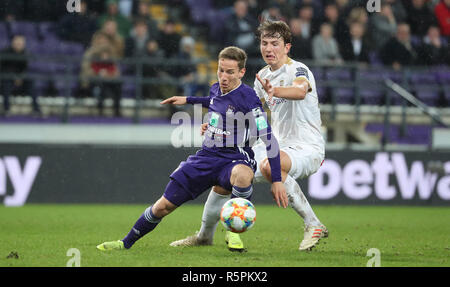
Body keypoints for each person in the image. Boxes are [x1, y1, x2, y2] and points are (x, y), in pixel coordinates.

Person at [96, 46, 285, 251]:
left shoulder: (249, 98)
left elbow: (269, 139)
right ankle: (125, 243)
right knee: (162, 207)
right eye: (221, 70)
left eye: (230, 72)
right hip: (206, 157)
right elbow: (214, 102)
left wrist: (276, 179)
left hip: (233, 158)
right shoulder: (215, 88)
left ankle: (233, 234)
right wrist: (188, 100)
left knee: (243, 174)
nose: (224, 76)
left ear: (241, 72)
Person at [170, 21, 328, 252]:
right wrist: (215, 127)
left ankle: (313, 224)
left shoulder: (299, 70)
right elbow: (245, 114)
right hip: (279, 144)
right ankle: (204, 236)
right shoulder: (262, 75)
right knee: (227, 172)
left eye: (275, 44)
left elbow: (300, 90)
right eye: (265, 43)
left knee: (268, 166)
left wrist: (276, 91)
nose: (269, 48)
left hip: (306, 146)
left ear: (287, 47)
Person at [0, 35, 40, 116]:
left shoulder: (25, 53)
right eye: (17, 42)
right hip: (7, 78)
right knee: (6, 83)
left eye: (21, 43)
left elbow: (25, 69)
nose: (19, 44)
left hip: (20, 79)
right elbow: (3, 69)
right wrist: (14, 77)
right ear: (13, 43)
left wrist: (20, 77)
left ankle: (36, 110)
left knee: (31, 82)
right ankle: (6, 109)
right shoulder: (5, 52)